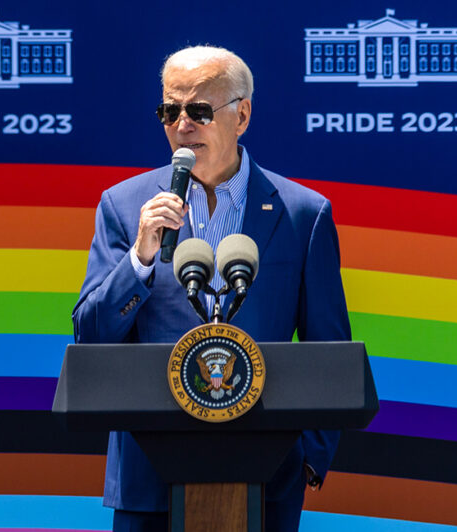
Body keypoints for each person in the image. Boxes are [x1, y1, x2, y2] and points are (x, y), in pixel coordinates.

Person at [72, 45, 351, 532]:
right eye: (170, 110)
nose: (182, 124)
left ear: (242, 115)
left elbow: (330, 344)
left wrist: (308, 455)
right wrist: (139, 257)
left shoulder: (303, 213)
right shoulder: (123, 206)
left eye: (199, 110)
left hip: (268, 477)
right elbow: (91, 335)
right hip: (150, 476)